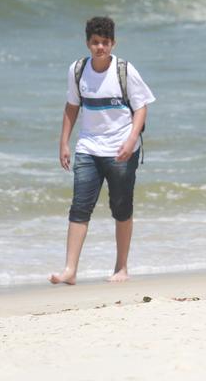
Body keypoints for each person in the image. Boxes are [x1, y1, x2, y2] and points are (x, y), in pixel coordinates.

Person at [50, 17, 156, 284]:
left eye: (105, 43)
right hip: (88, 148)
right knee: (79, 207)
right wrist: (64, 142)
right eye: (95, 43)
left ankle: (121, 268)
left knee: (121, 208)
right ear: (88, 43)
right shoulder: (77, 70)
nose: (100, 47)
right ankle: (70, 270)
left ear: (113, 43)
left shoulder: (125, 70)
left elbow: (141, 107)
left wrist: (131, 140)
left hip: (121, 148)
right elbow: (72, 106)